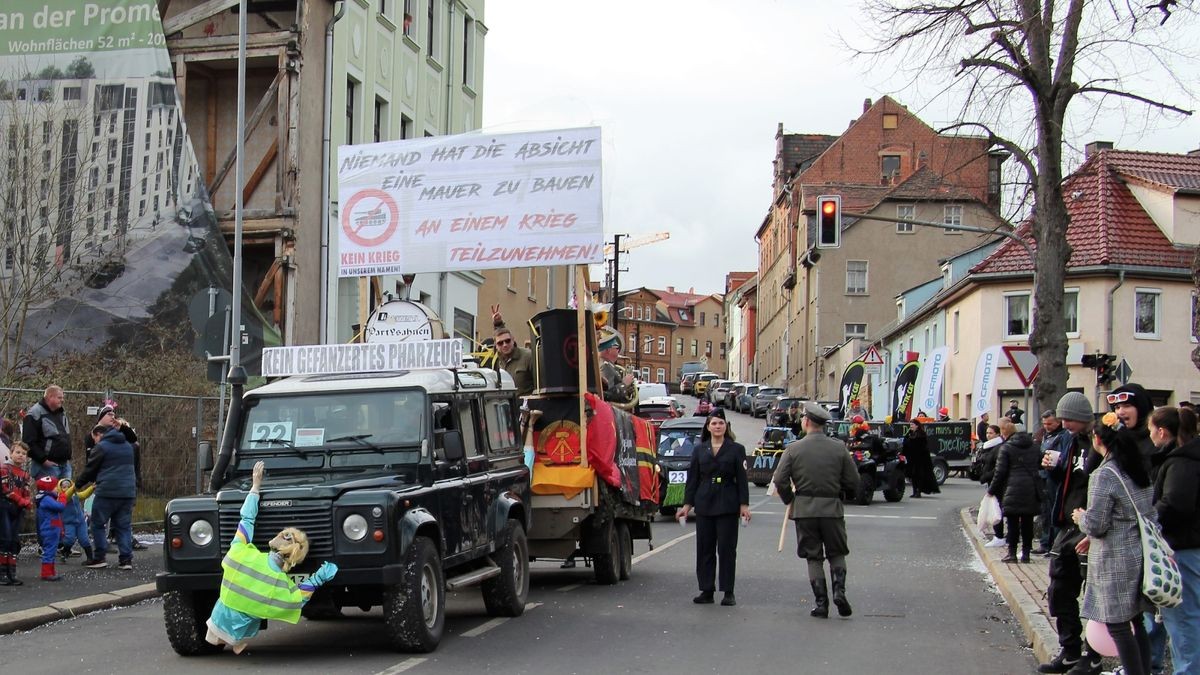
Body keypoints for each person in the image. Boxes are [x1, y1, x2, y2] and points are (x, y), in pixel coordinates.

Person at [205, 461, 338, 653]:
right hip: (236, 627)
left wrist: (255, 487)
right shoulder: (277, 583)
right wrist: (318, 578)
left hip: (228, 621)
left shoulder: (241, 554)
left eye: (285, 534)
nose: (280, 534)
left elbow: (247, 520)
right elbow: (297, 600)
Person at [1073, 414, 1156, 675]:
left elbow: (1097, 523)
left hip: (1115, 559)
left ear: (1098, 440)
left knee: (1117, 625)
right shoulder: (1137, 469)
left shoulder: (1104, 474)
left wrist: (1080, 519)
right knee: (1136, 621)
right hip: (1139, 552)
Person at [772, 401, 859, 618]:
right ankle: (839, 590)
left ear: (807, 421)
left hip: (805, 511)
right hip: (832, 509)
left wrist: (791, 500)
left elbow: (780, 479)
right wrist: (842, 494)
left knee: (814, 557)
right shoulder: (839, 448)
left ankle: (821, 603)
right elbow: (853, 481)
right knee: (837, 553)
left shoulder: (793, 449)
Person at [1037, 392, 1104, 675]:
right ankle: (1070, 651)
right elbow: (1065, 479)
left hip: (1091, 526)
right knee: (1059, 589)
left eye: (1069, 419)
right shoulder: (1069, 441)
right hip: (1067, 523)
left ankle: (1095, 654)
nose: (1064, 424)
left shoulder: (1101, 442)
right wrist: (1052, 470)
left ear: (1084, 418)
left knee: (1094, 595)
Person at [1107, 382, 1167, 672]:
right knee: (1135, 610)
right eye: (1117, 407)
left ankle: (1152, 664)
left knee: (1150, 603)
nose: (1120, 412)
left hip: (1152, 531)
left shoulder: (1154, 442)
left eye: (1125, 406)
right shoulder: (1121, 437)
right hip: (1128, 534)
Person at [676, 409, 750, 607]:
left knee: (726, 549)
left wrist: (744, 506)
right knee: (705, 549)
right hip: (705, 503)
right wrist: (686, 505)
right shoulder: (700, 449)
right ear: (708, 427)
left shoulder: (736, 449)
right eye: (714, 424)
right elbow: (692, 480)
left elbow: (742, 480)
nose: (718, 427)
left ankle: (728, 591)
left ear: (726, 427)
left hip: (727, 503)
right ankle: (706, 589)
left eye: (721, 423)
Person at [1147, 406, 1200, 674]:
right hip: (1185, 545)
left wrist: (1148, 520)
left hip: (1183, 547)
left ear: (1162, 431)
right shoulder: (1184, 458)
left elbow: (1175, 505)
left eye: (1151, 430)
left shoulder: (1181, 462)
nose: (1150, 436)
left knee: (1184, 617)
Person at [76, 410, 138, 570]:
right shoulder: (128, 446)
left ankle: (99, 557)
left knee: (97, 524)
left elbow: (90, 469)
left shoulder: (102, 447)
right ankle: (126, 560)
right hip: (127, 492)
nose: (94, 442)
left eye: (94, 438)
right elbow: (133, 439)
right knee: (123, 526)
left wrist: (75, 486)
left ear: (99, 435)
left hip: (107, 492)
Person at [989, 423, 1040, 563]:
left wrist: (991, 490)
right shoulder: (1035, 447)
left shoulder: (1006, 448)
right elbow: (1041, 464)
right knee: (1027, 523)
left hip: (1011, 488)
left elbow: (999, 472)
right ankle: (1026, 554)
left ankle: (1012, 553)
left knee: (1012, 523)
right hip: (1030, 488)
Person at [1037, 411, 1072, 556]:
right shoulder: (1046, 435)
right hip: (1045, 475)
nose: (1047, 427)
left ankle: (1054, 545)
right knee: (1045, 511)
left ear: (1058, 422)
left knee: (1054, 511)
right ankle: (1046, 542)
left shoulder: (1064, 436)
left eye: (1050, 424)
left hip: (1055, 477)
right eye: (1044, 424)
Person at [22, 385, 72, 481]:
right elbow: (28, 442)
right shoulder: (34, 413)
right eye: (59, 397)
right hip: (46, 467)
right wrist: (43, 460)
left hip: (65, 465)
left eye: (63, 398)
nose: (62, 400)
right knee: (48, 495)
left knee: (65, 495)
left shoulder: (61, 413)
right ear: (50, 397)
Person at [0, 440, 32, 585]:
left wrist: (27, 501)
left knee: (14, 541)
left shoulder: (25, 474)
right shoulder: (4, 469)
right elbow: (5, 490)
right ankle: (2, 573)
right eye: (18, 452)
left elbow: (26, 489)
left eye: (24, 454)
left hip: (18, 509)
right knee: (5, 539)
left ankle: (11, 572)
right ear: (11, 453)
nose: (20, 456)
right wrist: (22, 500)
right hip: (5, 506)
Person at [489, 308, 535, 396]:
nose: (505, 345)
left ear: (513, 340)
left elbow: (539, 387)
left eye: (508, 341)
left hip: (526, 407)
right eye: (500, 343)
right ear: (496, 346)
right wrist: (498, 324)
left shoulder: (528, 356)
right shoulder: (496, 361)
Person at [34, 475, 65, 581]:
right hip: (50, 528)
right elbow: (60, 507)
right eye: (55, 486)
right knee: (49, 551)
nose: (57, 489)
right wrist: (62, 497)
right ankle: (46, 573)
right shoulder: (46, 499)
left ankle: (51, 572)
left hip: (52, 527)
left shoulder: (46, 498)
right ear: (48, 488)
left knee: (52, 551)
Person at [598, 327, 636, 408]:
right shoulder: (605, 367)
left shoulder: (608, 366)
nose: (618, 351)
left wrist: (627, 389)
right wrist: (624, 384)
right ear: (608, 350)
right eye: (616, 348)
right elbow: (609, 395)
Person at [904, 419, 939, 497]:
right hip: (912, 458)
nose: (911, 426)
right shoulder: (910, 433)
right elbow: (906, 443)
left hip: (921, 459)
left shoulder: (921, 434)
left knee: (919, 475)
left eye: (912, 425)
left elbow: (920, 446)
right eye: (910, 425)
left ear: (917, 425)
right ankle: (914, 491)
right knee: (913, 476)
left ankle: (918, 492)